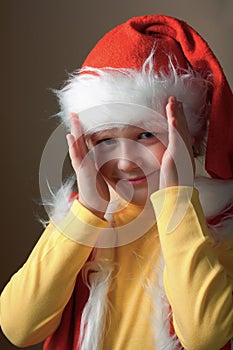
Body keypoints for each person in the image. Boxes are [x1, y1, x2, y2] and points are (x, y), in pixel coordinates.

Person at [1, 14, 233, 350]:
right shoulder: (80, 217)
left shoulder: (219, 222)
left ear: (189, 136)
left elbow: (206, 335)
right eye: (106, 140)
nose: (125, 161)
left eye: (146, 134)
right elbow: (18, 327)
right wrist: (87, 211)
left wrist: (177, 200)